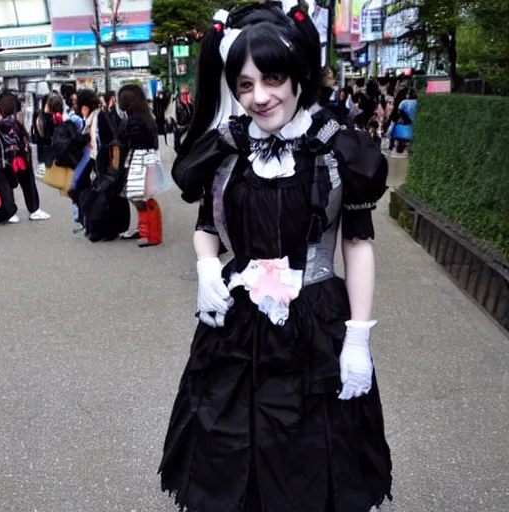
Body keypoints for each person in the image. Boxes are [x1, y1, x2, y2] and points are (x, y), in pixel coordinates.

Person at [158, 3, 392, 511]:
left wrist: (358, 337)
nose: (259, 97)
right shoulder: (227, 150)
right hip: (238, 329)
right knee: (231, 453)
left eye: (272, 78)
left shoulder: (336, 152)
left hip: (316, 325)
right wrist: (204, 266)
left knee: (312, 456)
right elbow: (206, 227)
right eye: (244, 85)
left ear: (298, 77)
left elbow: (357, 243)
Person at [117, 84, 162, 247]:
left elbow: (122, 139)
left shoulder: (133, 120)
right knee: (143, 197)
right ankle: (149, 231)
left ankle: (147, 233)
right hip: (148, 159)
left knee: (139, 197)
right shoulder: (146, 117)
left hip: (139, 160)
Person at [0, 91, 50, 223]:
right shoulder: (15, 123)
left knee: (5, 186)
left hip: (4, 159)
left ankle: (10, 212)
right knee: (27, 182)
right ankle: (34, 209)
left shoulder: (1, 123)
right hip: (18, 157)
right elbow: (22, 139)